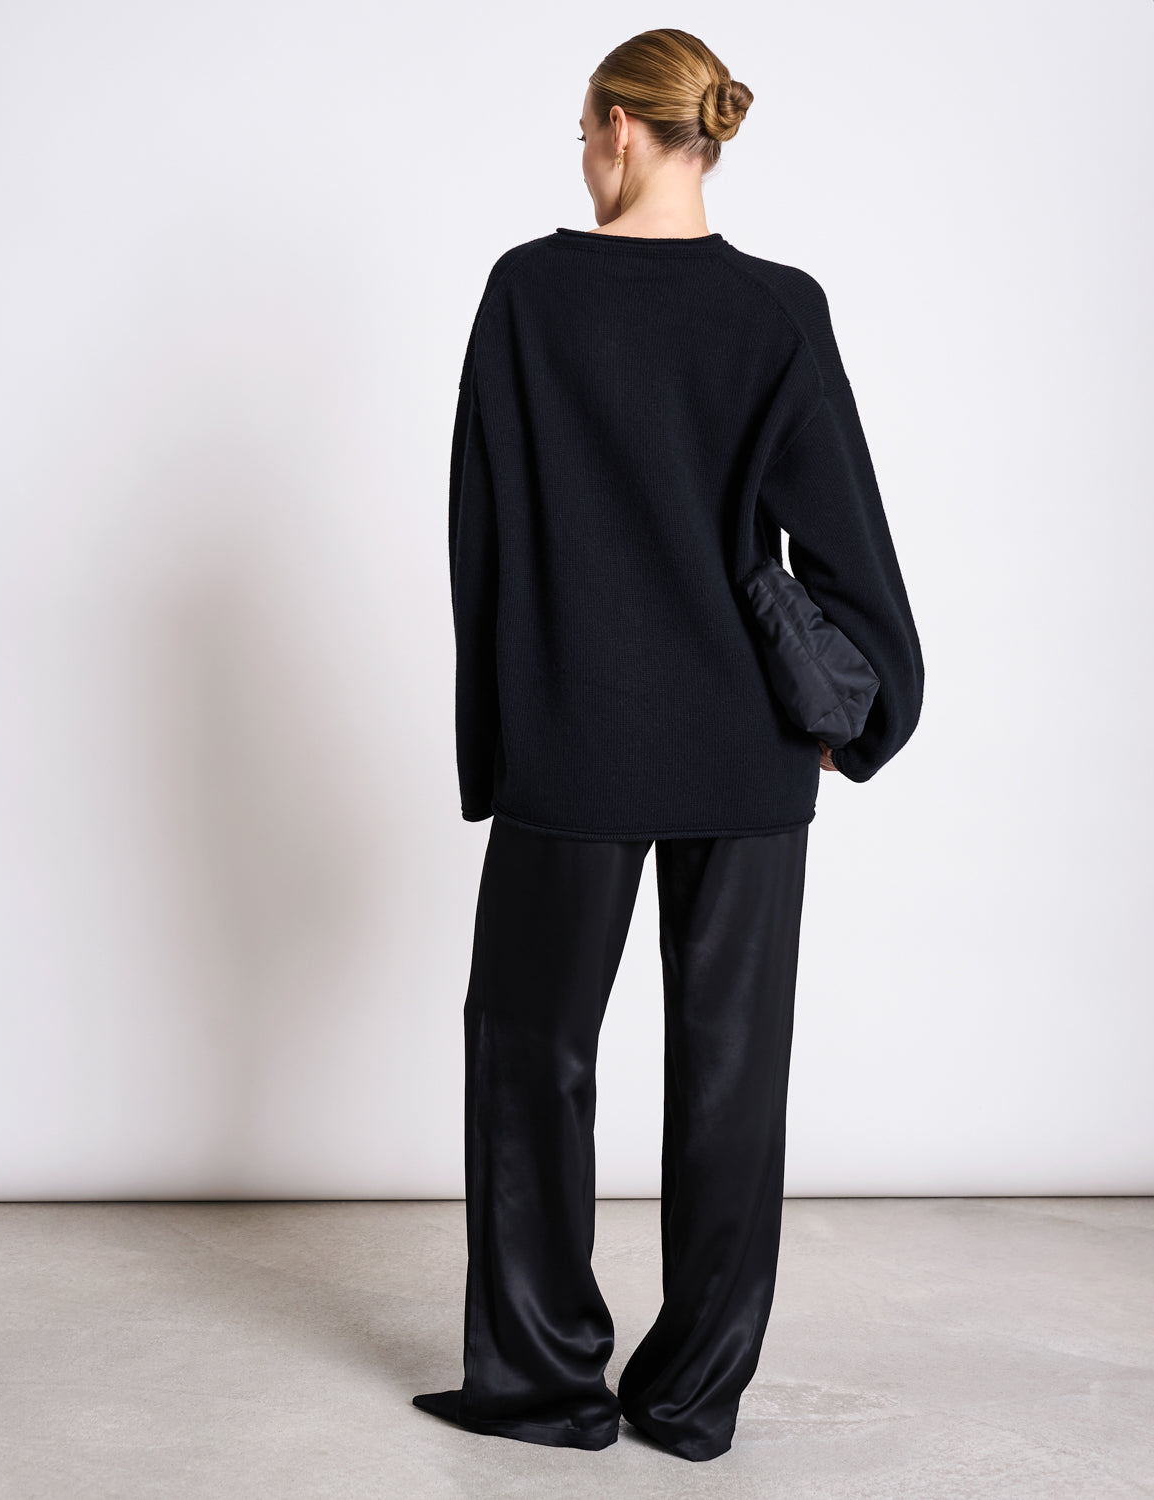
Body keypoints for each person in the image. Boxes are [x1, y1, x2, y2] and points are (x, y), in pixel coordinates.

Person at [413, 27, 924, 1464]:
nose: (580, 157)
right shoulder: (780, 310)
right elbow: (845, 541)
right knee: (731, 1075)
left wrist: (498, 738)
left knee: (529, 1052)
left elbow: (483, 537)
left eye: (584, 131)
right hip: (748, 753)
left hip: (575, 738)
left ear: (625, 131)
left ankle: (544, 1382)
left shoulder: (529, 294)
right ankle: (692, 1400)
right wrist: (859, 711)